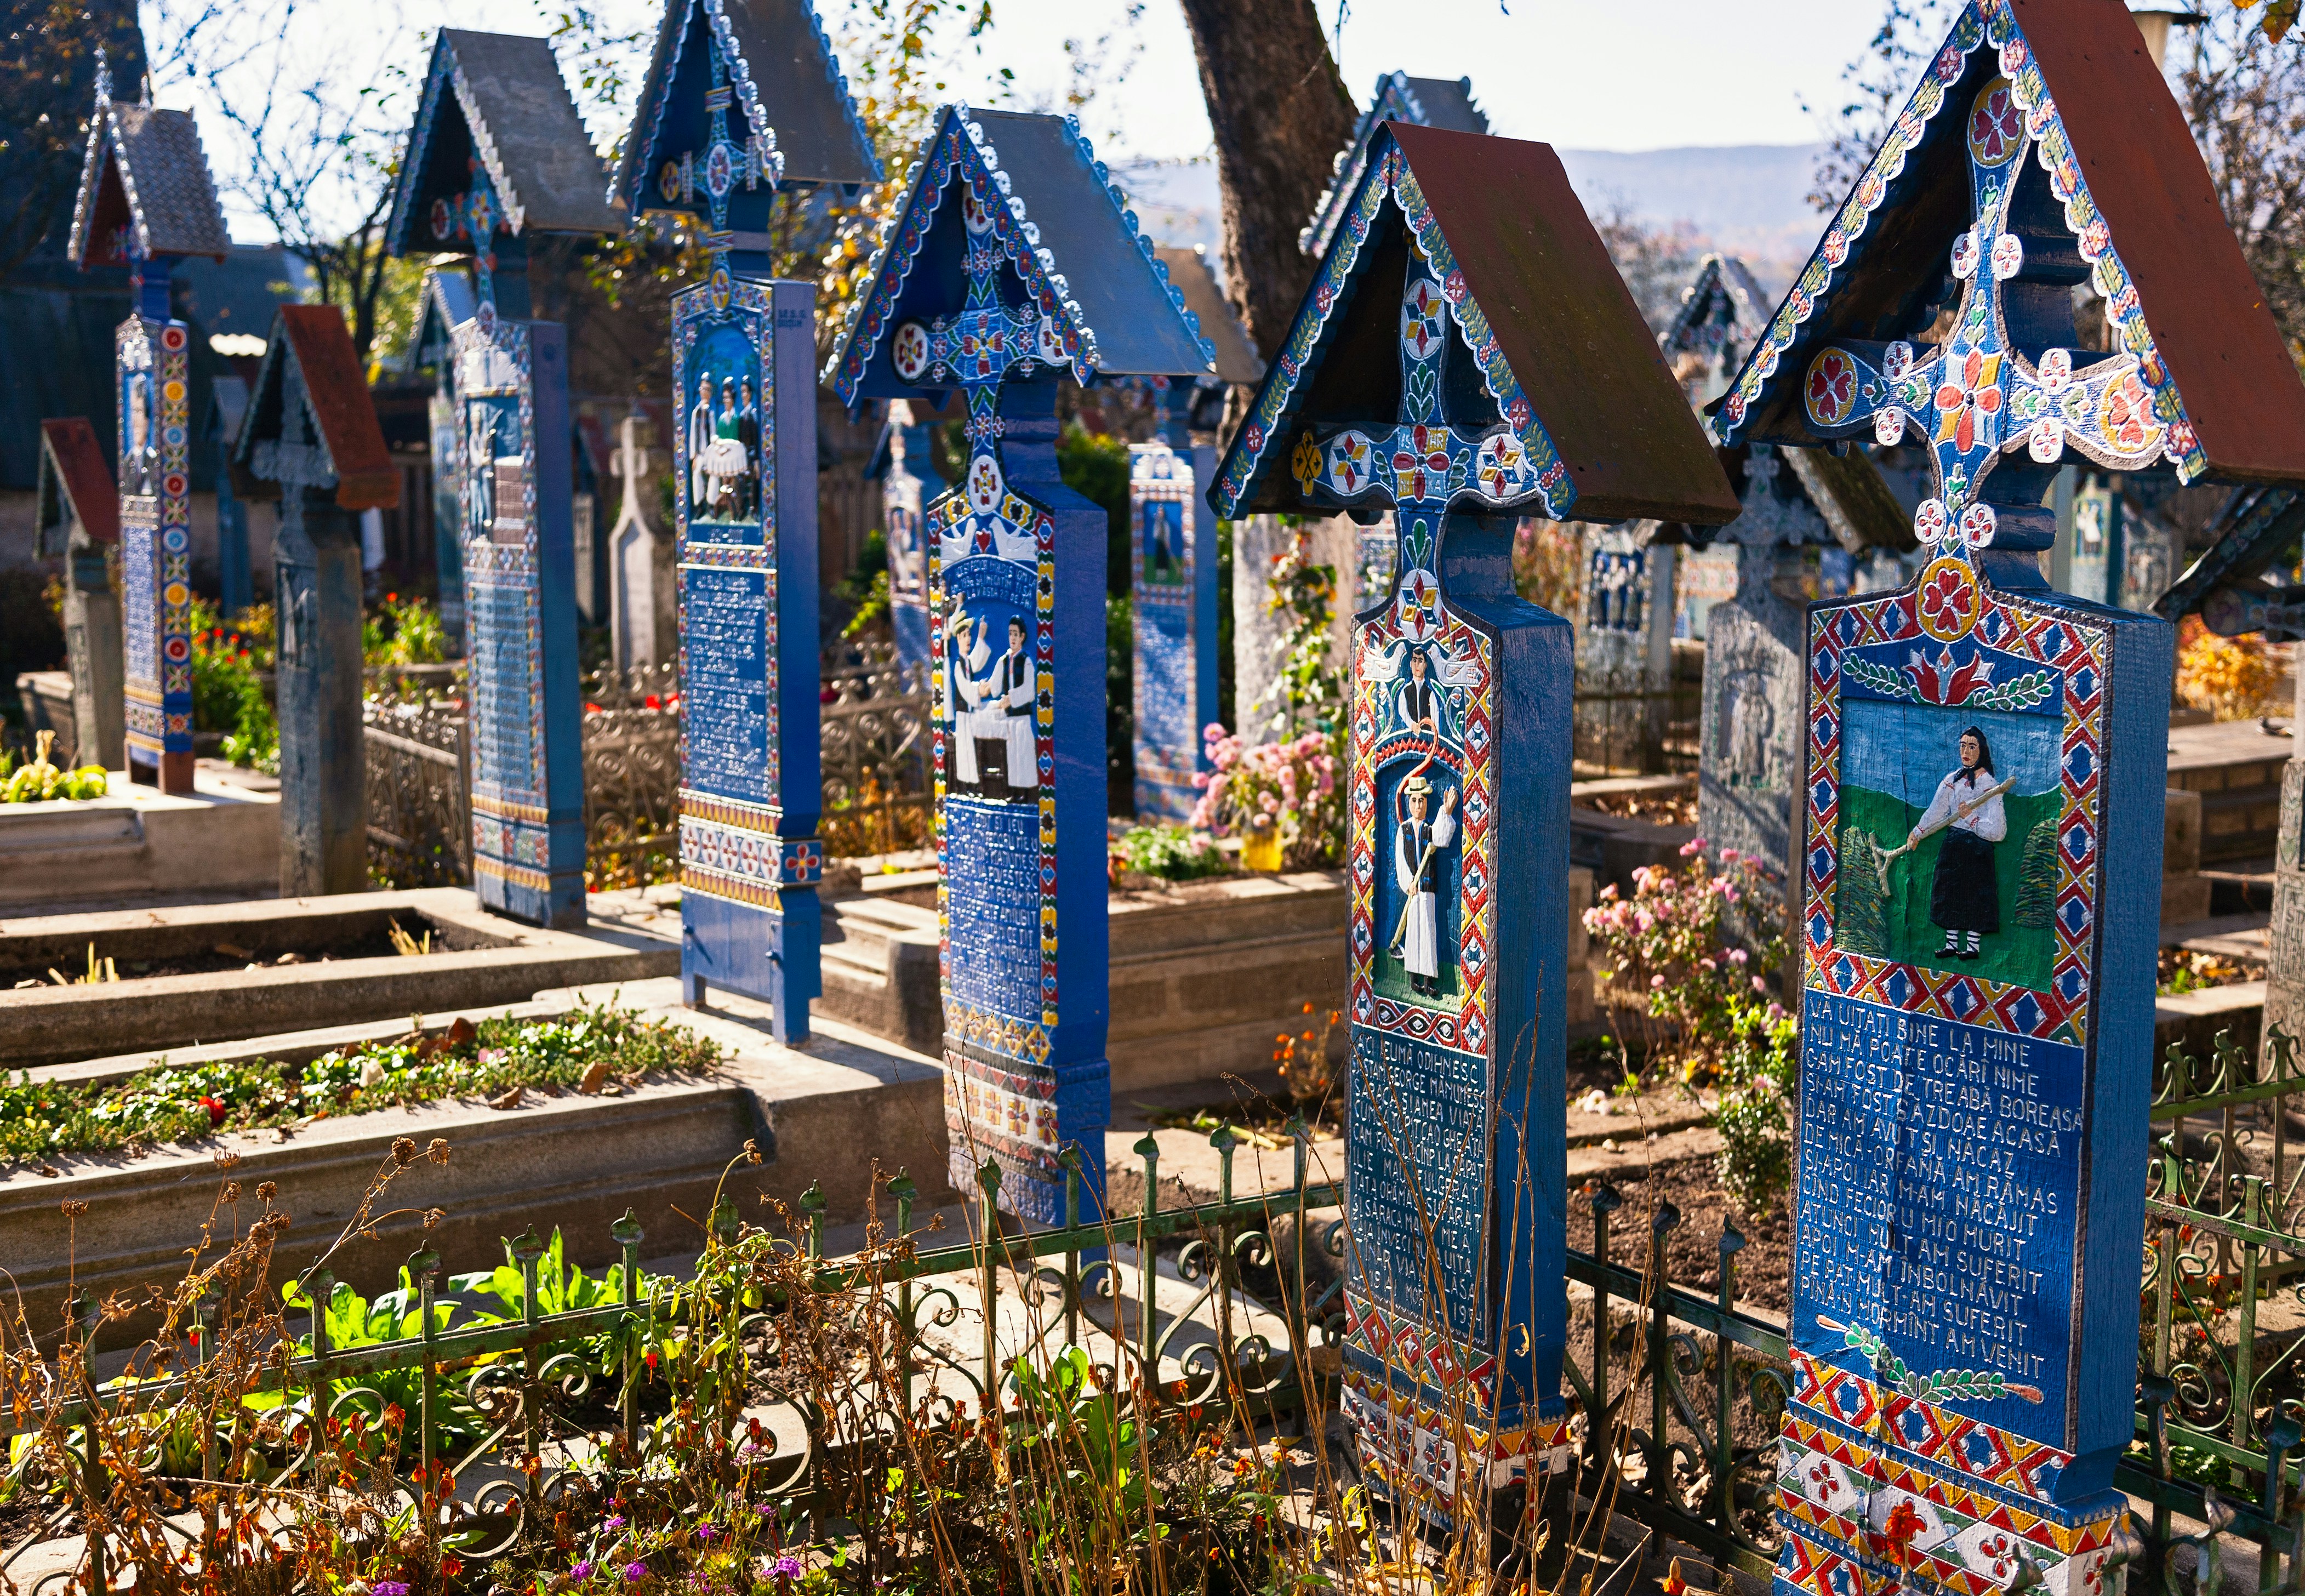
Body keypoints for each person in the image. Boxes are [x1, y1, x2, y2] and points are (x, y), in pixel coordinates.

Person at [1912, 725, 2006, 960]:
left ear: (1982, 751)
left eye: (1972, 747)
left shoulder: (1990, 786)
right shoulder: (1952, 780)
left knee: (1974, 895)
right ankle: (1951, 944)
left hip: (1978, 848)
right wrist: (1918, 832)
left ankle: (1973, 947)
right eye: (1963, 746)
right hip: (1953, 844)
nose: (1966, 752)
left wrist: (1972, 818)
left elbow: (1999, 831)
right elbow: (1937, 810)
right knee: (1949, 891)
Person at [951, 611, 1036, 798]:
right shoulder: (1003, 661)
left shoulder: (1027, 661)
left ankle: (1026, 793)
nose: (1013, 638)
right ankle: (1013, 791)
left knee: (1023, 753)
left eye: (1016, 634)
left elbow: (1030, 689)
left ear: (1023, 637)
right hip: (1008, 716)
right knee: (1012, 755)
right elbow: (994, 686)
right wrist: (984, 689)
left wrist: (1011, 698)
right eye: (1010, 634)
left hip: (1021, 715)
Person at [1392, 774, 1459, 998]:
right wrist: (1408, 883)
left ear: (1427, 803)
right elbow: (1400, 859)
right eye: (1414, 801)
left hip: (1428, 887)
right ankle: (1413, 978)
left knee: (1428, 931)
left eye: (1422, 801)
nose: (1418, 806)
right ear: (1408, 803)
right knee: (1413, 932)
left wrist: (1446, 811)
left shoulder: (1429, 829)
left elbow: (1441, 840)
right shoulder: (1404, 830)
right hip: (1413, 889)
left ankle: (1429, 980)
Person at [1395, 647, 1449, 742]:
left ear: (1425, 665)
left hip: (1427, 742)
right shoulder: (1404, 692)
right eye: (1414, 661)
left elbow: (1435, 721)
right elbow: (1403, 713)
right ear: (1410, 664)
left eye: (1420, 661)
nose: (1417, 665)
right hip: (1408, 742)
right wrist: (1412, 725)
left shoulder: (1431, 694)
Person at [686, 372, 717, 517]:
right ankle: (699, 504)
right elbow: (693, 434)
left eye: (708, 390)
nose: (706, 393)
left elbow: (714, 434)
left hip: (710, 453)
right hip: (700, 453)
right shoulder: (696, 412)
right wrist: (693, 456)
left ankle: (711, 503)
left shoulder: (711, 412)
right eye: (704, 389)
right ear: (700, 390)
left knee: (714, 474)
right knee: (697, 473)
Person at [735, 376, 761, 517]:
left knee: (756, 476)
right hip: (743, 456)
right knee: (738, 477)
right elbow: (740, 440)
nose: (743, 395)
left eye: (745, 391)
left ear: (750, 393)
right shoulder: (742, 416)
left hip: (752, 456)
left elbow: (756, 439)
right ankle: (741, 508)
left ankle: (753, 508)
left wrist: (757, 460)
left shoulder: (753, 414)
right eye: (742, 392)